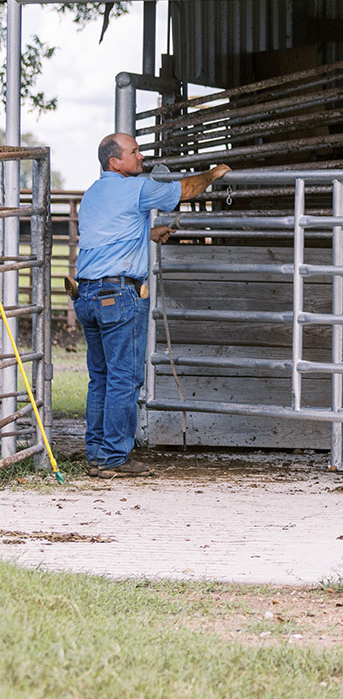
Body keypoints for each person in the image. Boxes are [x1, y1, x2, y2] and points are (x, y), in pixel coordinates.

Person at [76, 133, 230, 479]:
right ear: (115, 162)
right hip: (118, 295)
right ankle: (115, 457)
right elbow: (186, 190)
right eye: (134, 152)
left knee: (100, 378)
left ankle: (98, 455)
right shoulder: (138, 188)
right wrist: (214, 173)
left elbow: (109, 235)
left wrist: (148, 233)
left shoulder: (93, 194)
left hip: (87, 295)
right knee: (124, 378)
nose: (141, 156)